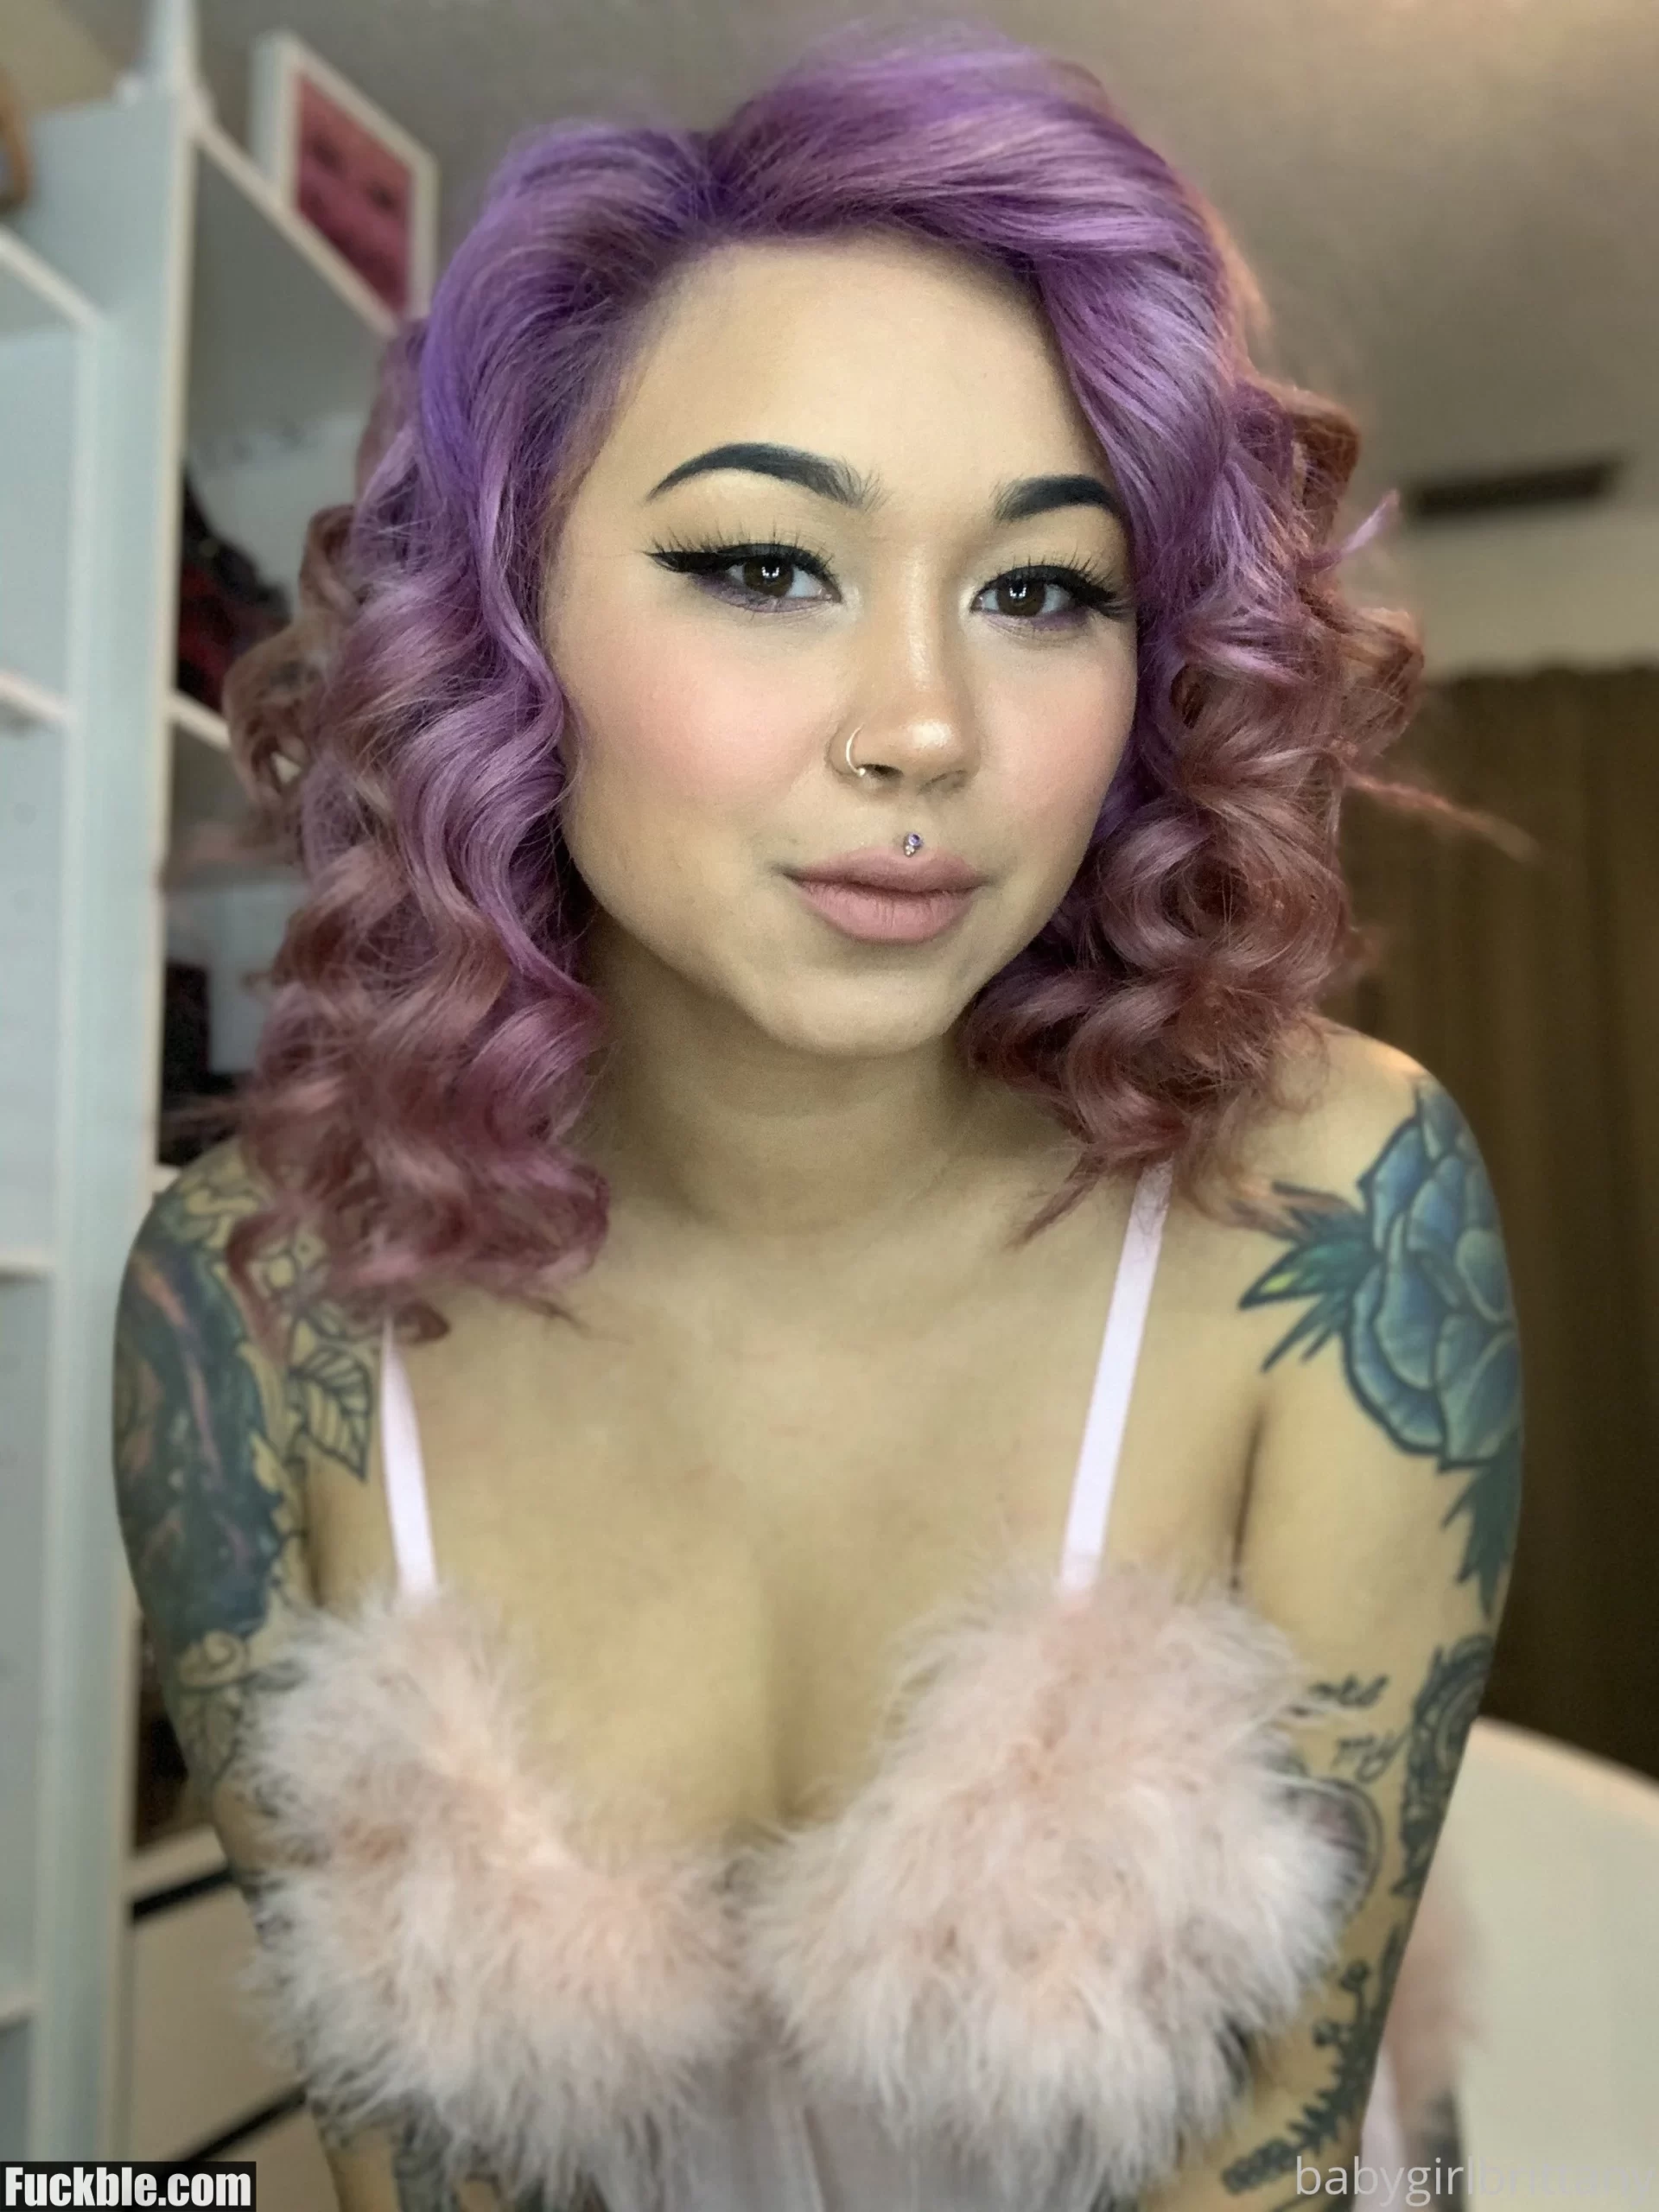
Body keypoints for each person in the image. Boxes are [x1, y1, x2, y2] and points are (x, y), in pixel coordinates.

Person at [114, 29, 1514, 2212]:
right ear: (501, 622)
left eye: (1042, 588)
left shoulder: (1333, 1213)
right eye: (768, 563)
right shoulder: (248, 1309)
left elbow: (1271, 2159)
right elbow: (414, 2171)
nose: (926, 726)